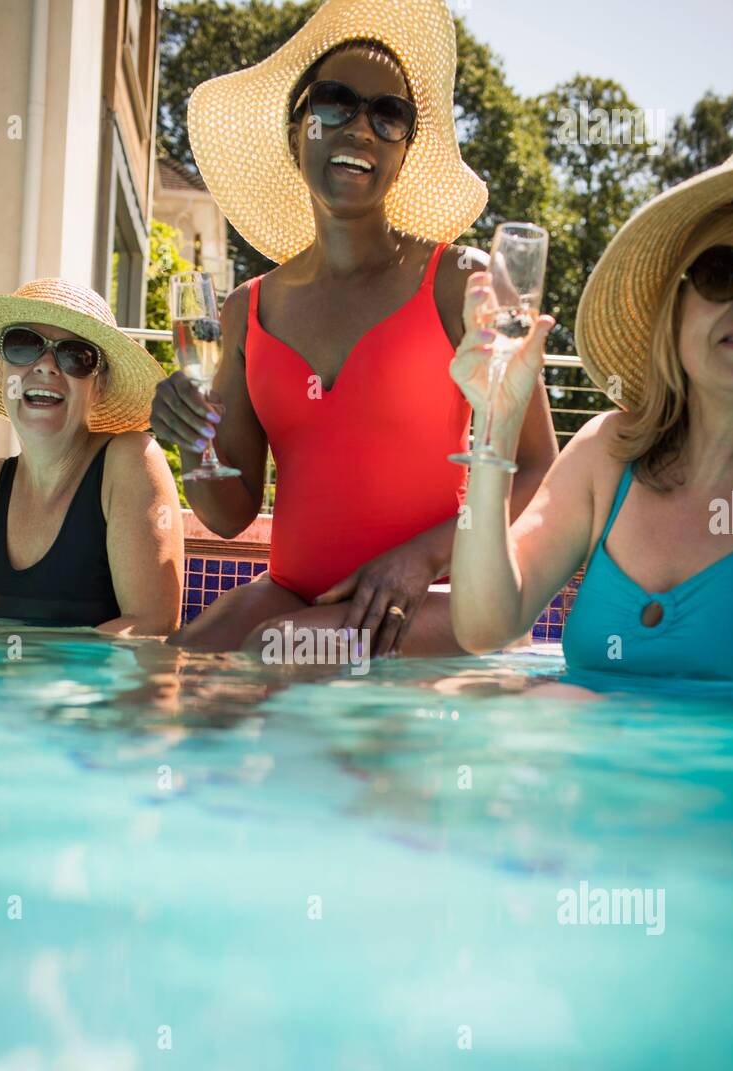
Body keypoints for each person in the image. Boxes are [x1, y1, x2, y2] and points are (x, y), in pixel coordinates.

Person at [151, 0, 557, 656]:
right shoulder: (246, 311)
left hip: (444, 598)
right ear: (296, 133)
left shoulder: (466, 282)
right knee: (166, 675)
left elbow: (541, 468)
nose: (360, 128)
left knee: (278, 648)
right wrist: (190, 445)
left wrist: (422, 559)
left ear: (402, 153)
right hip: (295, 594)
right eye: (334, 103)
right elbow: (228, 516)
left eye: (388, 114)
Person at [449, 143, 733, 682]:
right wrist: (498, 420)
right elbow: (483, 626)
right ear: (674, 307)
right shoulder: (608, 454)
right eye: (724, 273)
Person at [0, 279, 184, 636]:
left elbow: (152, 628)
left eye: (75, 355)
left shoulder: (131, 461)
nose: (46, 365)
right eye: (23, 345)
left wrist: (30, 676)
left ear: (98, 384)